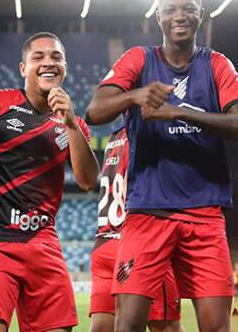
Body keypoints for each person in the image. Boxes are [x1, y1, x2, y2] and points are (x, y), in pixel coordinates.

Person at [85, 0, 238, 332]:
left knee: (215, 327)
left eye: (188, 7)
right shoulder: (138, 59)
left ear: (201, 14)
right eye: (170, 9)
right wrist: (136, 96)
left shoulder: (216, 65)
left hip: (205, 215)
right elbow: (95, 111)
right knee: (128, 325)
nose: (179, 15)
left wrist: (178, 112)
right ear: (158, 17)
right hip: (148, 213)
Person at [0, 32, 99, 332]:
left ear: (65, 67)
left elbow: (87, 180)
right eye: (38, 57)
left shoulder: (73, 122)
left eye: (56, 57)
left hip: (43, 243)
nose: (48, 62)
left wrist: (71, 122)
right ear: (23, 68)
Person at [90, 124, 182, 332]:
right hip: (139, 245)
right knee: (166, 326)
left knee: (102, 327)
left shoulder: (114, 138)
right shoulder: (151, 132)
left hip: (104, 243)